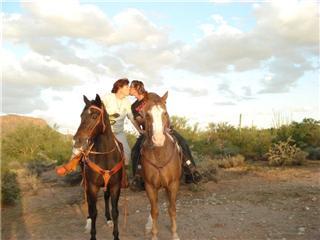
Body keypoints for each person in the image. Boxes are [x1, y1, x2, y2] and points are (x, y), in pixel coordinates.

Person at [56, 78, 142, 176]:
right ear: (119, 87)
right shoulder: (108, 98)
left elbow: (131, 118)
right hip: (103, 131)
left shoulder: (127, 102)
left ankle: (121, 175)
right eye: (127, 86)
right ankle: (71, 163)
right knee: (84, 142)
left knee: (127, 153)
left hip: (118, 132)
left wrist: (139, 130)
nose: (129, 89)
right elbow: (95, 107)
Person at [129, 80, 202, 191]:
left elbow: (164, 111)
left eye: (131, 87)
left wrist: (166, 125)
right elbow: (139, 120)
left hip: (163, 128)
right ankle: (138, 178)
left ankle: (191, 171)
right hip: (147, 131)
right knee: (135, 151)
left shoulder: (152, 97)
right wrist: (145, 119)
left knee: (182, 142)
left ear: (138, 88)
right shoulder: (134, 106)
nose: (129, 89)